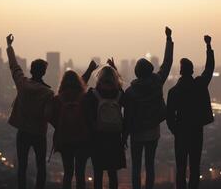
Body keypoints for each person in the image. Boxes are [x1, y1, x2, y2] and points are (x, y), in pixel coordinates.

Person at [124, 27, 174, 189]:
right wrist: (168, 39)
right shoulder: (157, 82)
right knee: (150, 166)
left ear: (137, 73)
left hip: (136, 133)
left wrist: (124, 136)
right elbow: (167, 63)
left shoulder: (131, 91)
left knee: (136, 168)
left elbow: (128, 116)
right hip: (153, 131)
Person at [6, 34, 54, 189]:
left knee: (22, 166)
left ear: (31, 70)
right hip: (39, 134)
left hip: (23, 132)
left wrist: (9, 46)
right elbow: (48, 114)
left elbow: (14, 66)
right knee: (41, 167)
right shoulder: (48, 93)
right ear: (44, 73)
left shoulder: (22, 84)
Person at [166, 35, 215, 189]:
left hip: (181, 132)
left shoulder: (174, 91)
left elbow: (169, 116)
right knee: (194, 167)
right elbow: (209, 68)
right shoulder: (199, 85)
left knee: (180, 168)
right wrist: (208, 46)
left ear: (181, 71)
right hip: (196, 131)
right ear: (192, 71)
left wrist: (176, 130)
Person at [47, 61, 98, 189]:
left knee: (68, 173)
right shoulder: (84, 98)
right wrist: (90, 69)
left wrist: (60, 126)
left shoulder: (57, 99)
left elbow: (51, 117)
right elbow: (89, 116)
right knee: (80, 173)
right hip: (82, 139)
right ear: (78, 82)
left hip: (64, 140)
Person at [84, 59, 126, 189]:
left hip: (98, 137)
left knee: (98, 172)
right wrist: (115, 70)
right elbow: (121, 89)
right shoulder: (119, 94)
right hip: (114, 137)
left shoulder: (93, 94)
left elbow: (86, 112)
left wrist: (90, 70)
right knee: (112, 173)